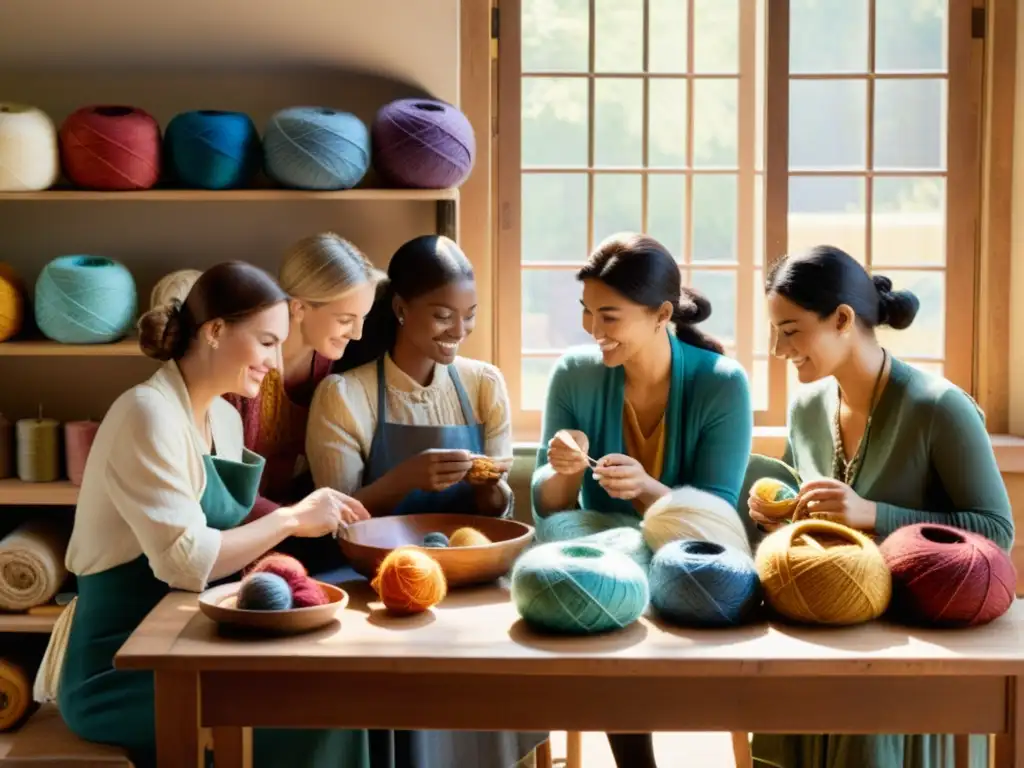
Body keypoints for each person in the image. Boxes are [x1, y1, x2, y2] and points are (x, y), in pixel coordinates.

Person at [53, 262, 373, 768]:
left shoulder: (223, 416)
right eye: (266, 342)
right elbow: (185, 564)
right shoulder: (146, 413)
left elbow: (234, 535)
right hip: (122, 665)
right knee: (319, 711)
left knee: (342, 685)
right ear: (216, 331)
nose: (274, 360)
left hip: (196, 641)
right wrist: (291, 519)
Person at [748, 244, 1013, 768]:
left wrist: (875, 515)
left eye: (791, 330)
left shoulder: (940, 408)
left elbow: (996, 533)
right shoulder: (806, 407)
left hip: (911, 647)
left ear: (842, 319)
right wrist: (782, 517)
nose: (779, 349)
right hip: (822, 623)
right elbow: (810, 507)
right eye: (775, 331)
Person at [306, 234, 546, 768]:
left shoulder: (483, 383)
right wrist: (403, 479)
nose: (457, 332)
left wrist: (492, 490)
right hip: (376, 577)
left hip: (471, 568)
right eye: (442, 315)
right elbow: (336, 520)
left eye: (469, 316)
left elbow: (498, 510)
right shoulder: (346, 394)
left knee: (511, 648)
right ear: (398, 309)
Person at [531, 232, 754, 768]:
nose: (593, 331)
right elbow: (550, 507)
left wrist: (646, 490)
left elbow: (715, 520)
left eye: (610, 317)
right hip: (599, 556)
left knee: (632, 580)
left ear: (661, 315)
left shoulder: (722, 383)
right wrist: (562, 468)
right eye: (587, 313)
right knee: (588, 573)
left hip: (688, 555)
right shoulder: (574, 374)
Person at [224, 233, 382, 573]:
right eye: (345, 320)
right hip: (235, 536)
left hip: (298, 527)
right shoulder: (245, 370)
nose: (356, 334)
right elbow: (224, 492)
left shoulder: (332, 364)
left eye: (363, 318)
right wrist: (294, 519)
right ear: (297, 308)